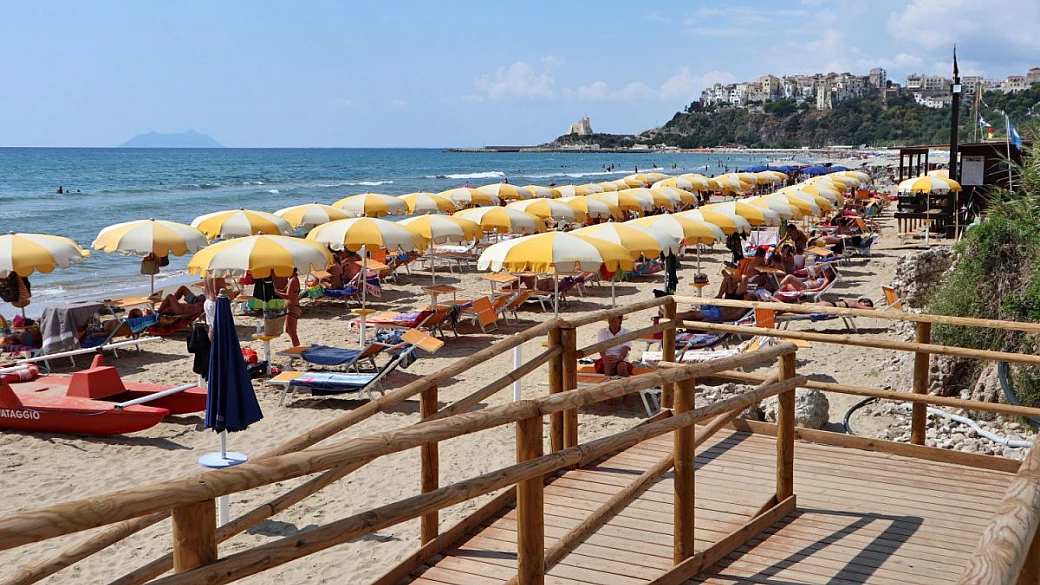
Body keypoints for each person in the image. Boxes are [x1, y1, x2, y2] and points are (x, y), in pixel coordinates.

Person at [275, 267, 302, 347]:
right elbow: (287, 292)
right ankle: (297, 347)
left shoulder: (293, 280)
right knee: (289, 330)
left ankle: (297, 349)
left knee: (292, 332)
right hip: (291, 307)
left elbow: (288, 296)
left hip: (293, 307)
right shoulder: (292, 279)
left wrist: (276, 292)